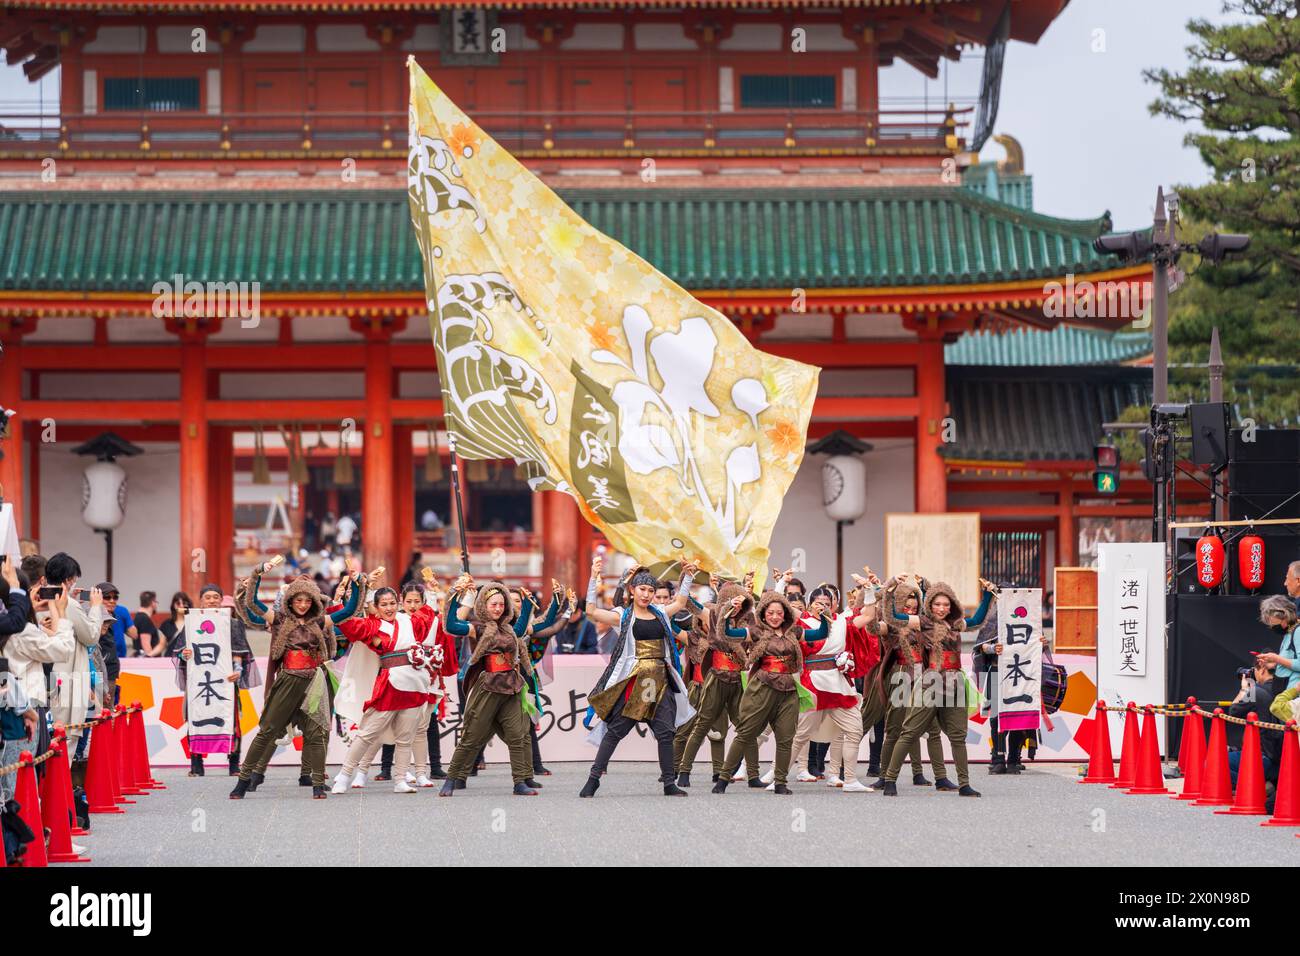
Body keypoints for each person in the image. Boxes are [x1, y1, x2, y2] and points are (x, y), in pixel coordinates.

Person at [230, 557, 361, 799]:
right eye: (298, 600)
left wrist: (358, 582)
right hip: (288, 679)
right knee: (267, 730)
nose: (302, 604)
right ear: (290, 600)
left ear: (313, 601)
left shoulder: (320, 621)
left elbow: (350, 610)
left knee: (317, 733)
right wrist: (258, 572)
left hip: (315, 680)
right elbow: (252, 602)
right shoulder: (279, 620)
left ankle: (318, 784)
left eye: (307, 600)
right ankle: (244, 779)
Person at [578, 555, 698, 798]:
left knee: (665, 733)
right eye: (642, 589)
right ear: (632, 590)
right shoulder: (622, 615)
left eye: (651, 590)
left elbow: (682, 601)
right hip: (635, 680)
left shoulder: (662, 613)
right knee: (615, 731)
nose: (646, 594)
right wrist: (593, 578)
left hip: (660, 680)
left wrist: (688, 576)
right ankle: (593, 779)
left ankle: (668, 783)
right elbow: (590, 611)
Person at [880, 579, 994, 797]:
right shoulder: (922, 622)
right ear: (930, 605)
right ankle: (890, 779)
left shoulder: (955, 624)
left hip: (955, 682)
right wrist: (890, 589)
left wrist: (987, 594)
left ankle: (964, 784)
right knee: (910, 732)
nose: (942, 609)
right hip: (931, 680)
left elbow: (978, 620)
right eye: (937, 604)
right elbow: (891, 617)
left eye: (946, 604)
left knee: (958, 736)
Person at [332, 570, 441, 794]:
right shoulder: (372, 626)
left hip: (415, 684)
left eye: (392, 603)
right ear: (377, 606)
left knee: (405, 737)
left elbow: (429, 613)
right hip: (390, 685)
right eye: (384, 604)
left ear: (397, 603)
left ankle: (400, 779)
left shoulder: (411, 620)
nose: (389, 608)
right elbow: (347, 625)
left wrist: (431, 590)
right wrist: (340, 599)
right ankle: (344, 774)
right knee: (367, 734)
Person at [439, 578, 543, 797]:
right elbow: (449, 626)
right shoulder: (477, 628)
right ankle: (451, 778)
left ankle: (520, 782)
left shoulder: (509, 629)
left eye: (501, 604)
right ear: (483, 606)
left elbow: (523, 625)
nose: (498, 608)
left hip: (512, 685)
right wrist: (452, 596)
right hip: (487, 686)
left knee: (518, 734)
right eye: (493, 604)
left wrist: (525, 603)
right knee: (472, 736)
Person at [711, 590, 806, 795]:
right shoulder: (756, 632)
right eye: (770, 612)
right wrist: (729, 609)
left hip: (789, 690)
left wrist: (822, 614)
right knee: (745, 733)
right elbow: (726, 632)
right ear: (763, 614)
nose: (774, 616)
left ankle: (780, 782)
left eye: (779, 613)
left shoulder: (794, 633)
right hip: (762, 687)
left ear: (785, 614)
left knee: (785, 738)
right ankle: (723, 778)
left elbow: (822, 633)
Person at [675, 581, 761, 789]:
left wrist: (749, 602)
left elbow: (768, 618)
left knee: (746, 727)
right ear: (724, 601)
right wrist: (685, 578)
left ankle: (753, 775)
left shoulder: (748, 623)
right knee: (703, 724)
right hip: (716, 678)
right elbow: (688, 602)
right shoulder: (712, 617)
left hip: (737, 680)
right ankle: (684, 772)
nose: (737, 605)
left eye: (741, 601)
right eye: (732, 601)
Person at [171, 584, 261, 777]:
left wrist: (237, 670)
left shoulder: (233, 624)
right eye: (208, 597)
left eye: (216, 597)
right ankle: (196, 764)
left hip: (224, 682)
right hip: (199, 682)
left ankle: (234, 764)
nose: (212, 601)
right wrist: (184, 655)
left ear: (221, 600)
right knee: (196, 718)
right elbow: (180, 652)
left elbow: (238, 653)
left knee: (231, 721)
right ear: (201, 601)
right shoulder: (192, 622)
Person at [1228, 657, 1282, 788]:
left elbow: (1233, 711)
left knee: (1212, 763)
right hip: (1282, 760)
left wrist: (1244, 689)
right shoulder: (1285, 689)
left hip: (1262, 758)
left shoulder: (1255, 691)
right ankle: (1267, 783)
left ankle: (1256, 787)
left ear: (1262, 670)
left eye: (1254, 671)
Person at [1256, 595, 1300, 695]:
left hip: (1293, 697)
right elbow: (1291, 663)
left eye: (1271, 619)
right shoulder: (1289, 633)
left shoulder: (1297, 631)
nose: (1270, 624)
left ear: (1284, 615)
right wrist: (1274, 665)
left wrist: (1276, 659)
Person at [133, 591, 164, 657]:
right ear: (152, 602)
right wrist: (151, 662)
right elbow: (146, 647)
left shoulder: (138, 617)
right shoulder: (145, 620)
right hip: (147, 662)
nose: (156, 605)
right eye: (156, 602)